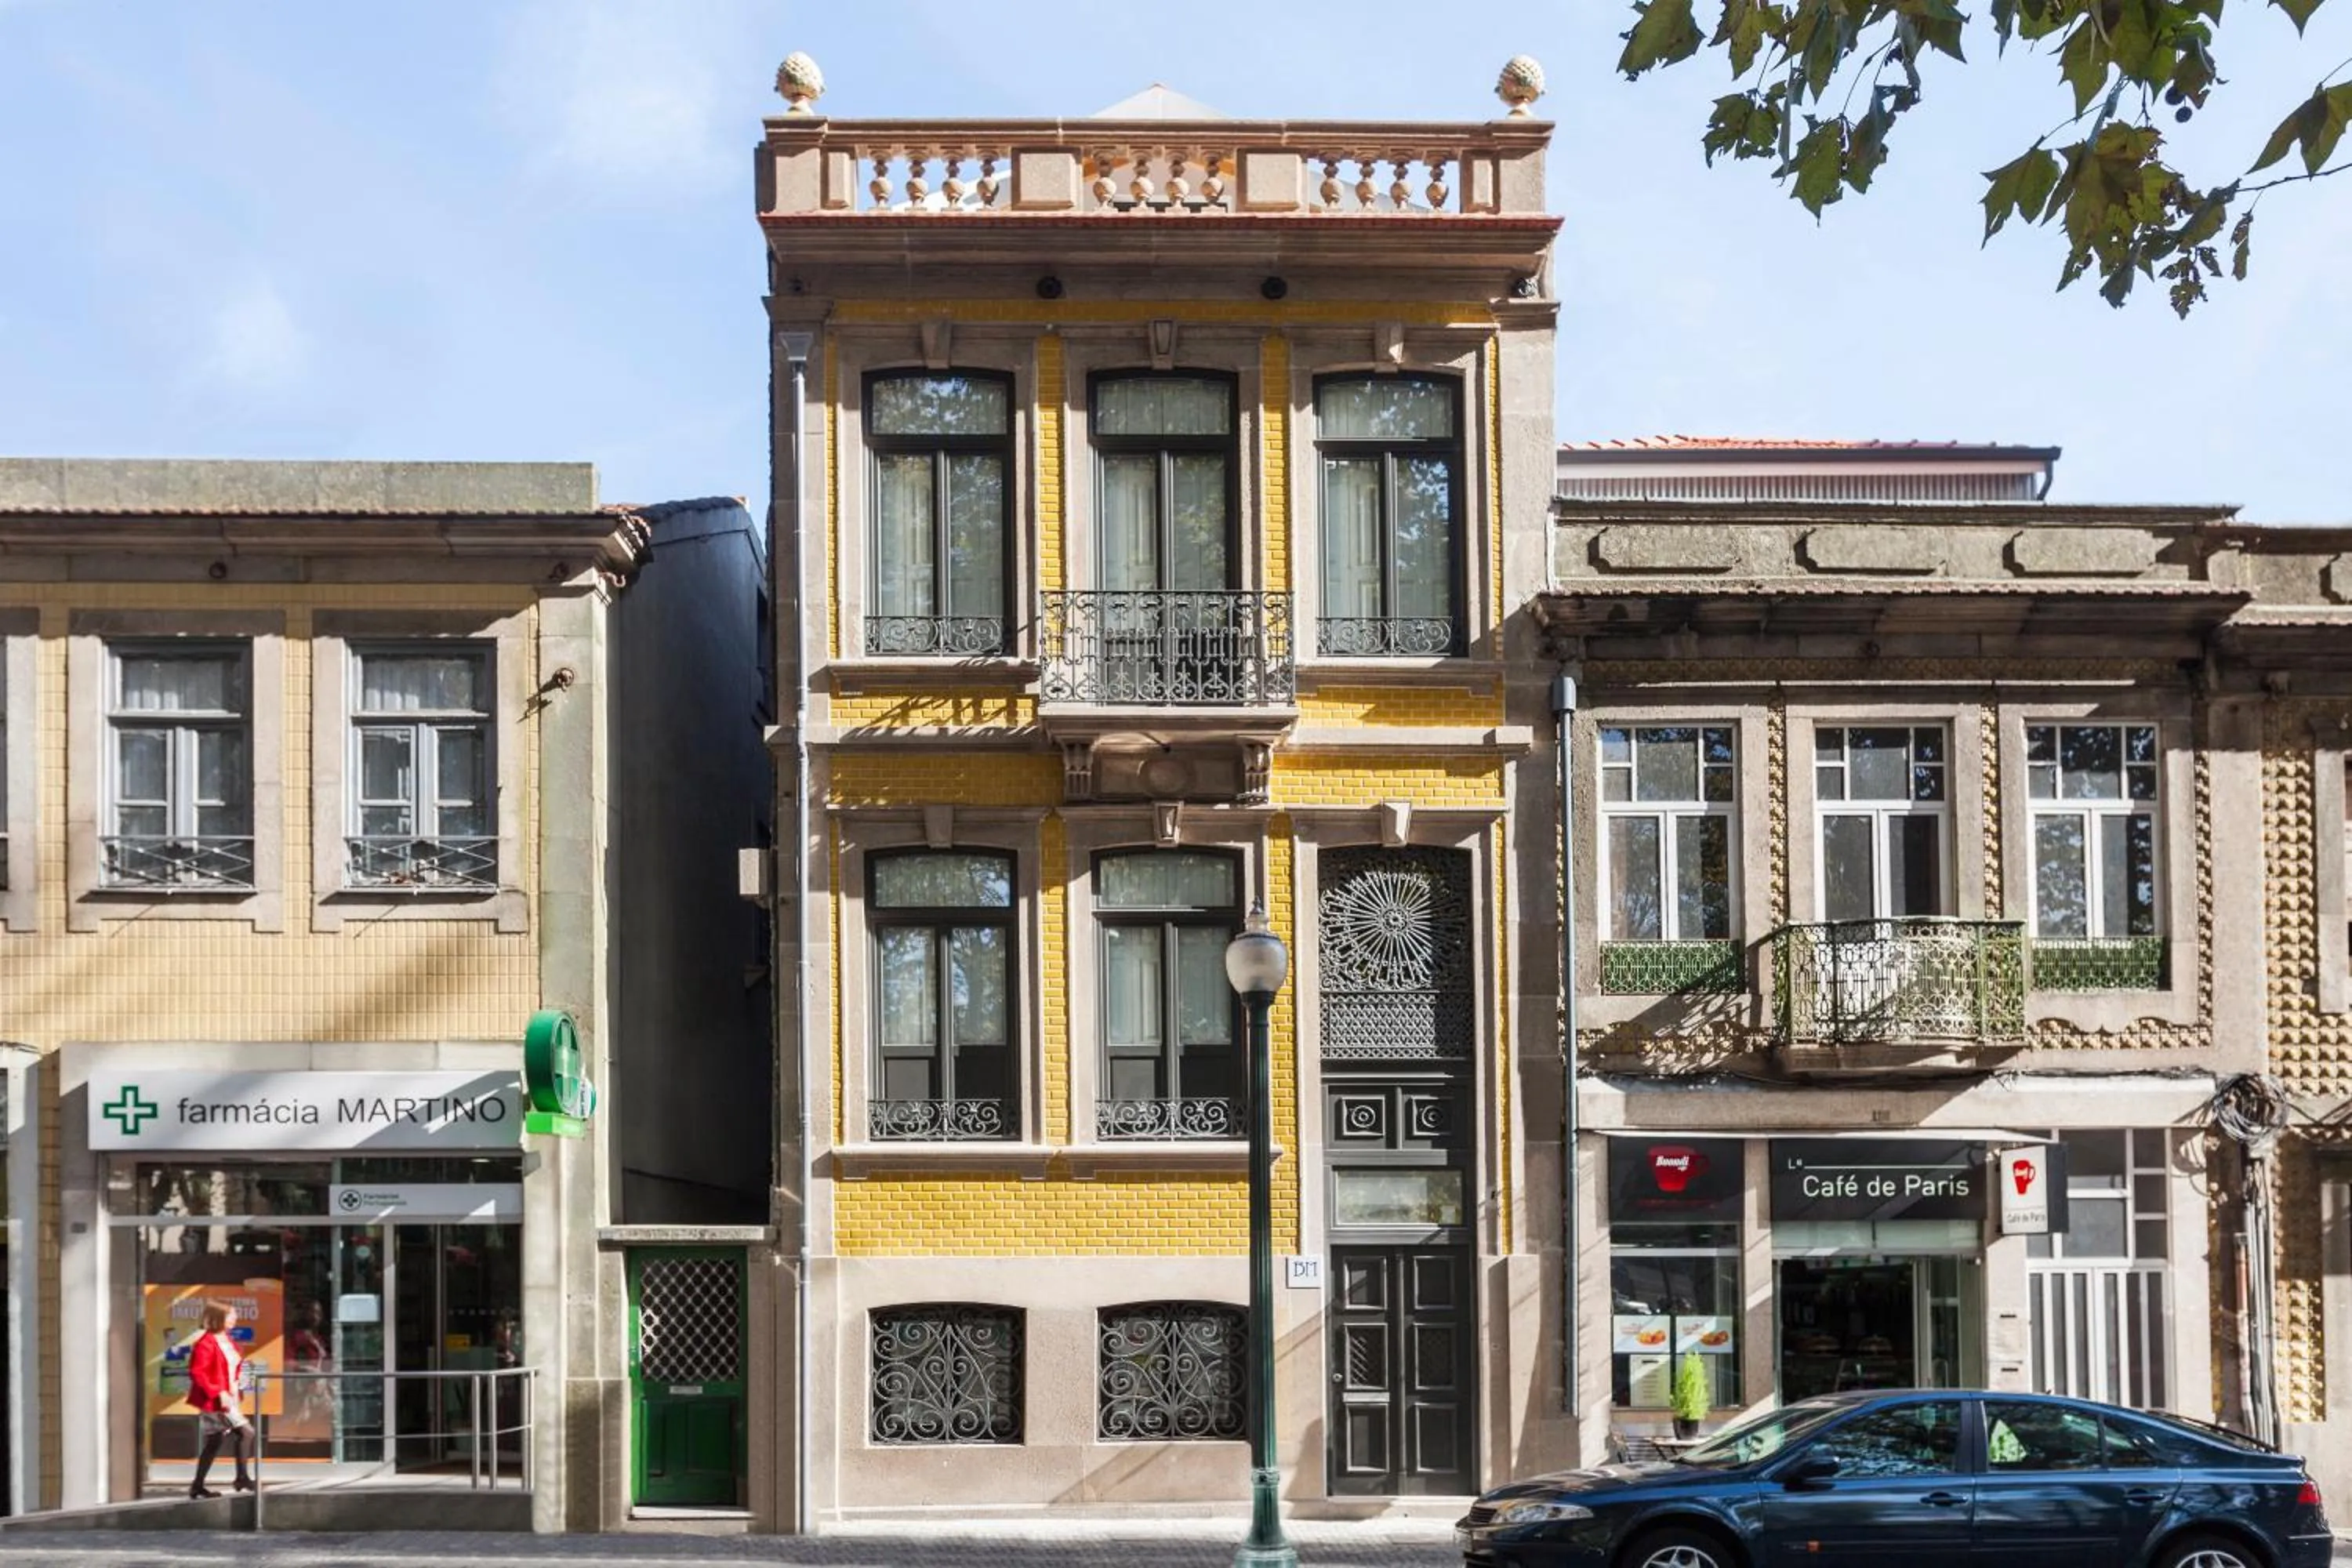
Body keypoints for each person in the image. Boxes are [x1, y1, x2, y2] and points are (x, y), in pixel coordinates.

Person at [185, 1300, 255, 1499]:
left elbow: (233, 1368)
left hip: (230, 1398)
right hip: (216, 1400)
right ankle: (242, 1478)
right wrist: (219, 1392)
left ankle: (197, 1486)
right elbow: (198, 1373)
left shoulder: (228, 1342)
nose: (235, 1318)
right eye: (231, 1315)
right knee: (246, 1432)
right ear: (219, 1317)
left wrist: (239, 1385)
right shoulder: (206, 1343)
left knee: (214, 1441)